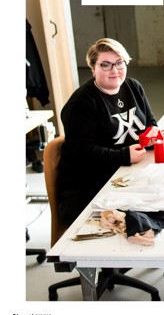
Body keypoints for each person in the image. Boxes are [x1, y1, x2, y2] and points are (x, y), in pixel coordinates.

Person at [57, 38, 156, 227]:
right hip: (88, 185)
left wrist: (152, 134)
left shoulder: (133, 87)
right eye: (105, 64)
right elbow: (83, 152)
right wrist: (124, 155)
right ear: (93, 68)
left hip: (125, 175)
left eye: (119, 63)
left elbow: (150, 123)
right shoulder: (81, 104)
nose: (114, 70)